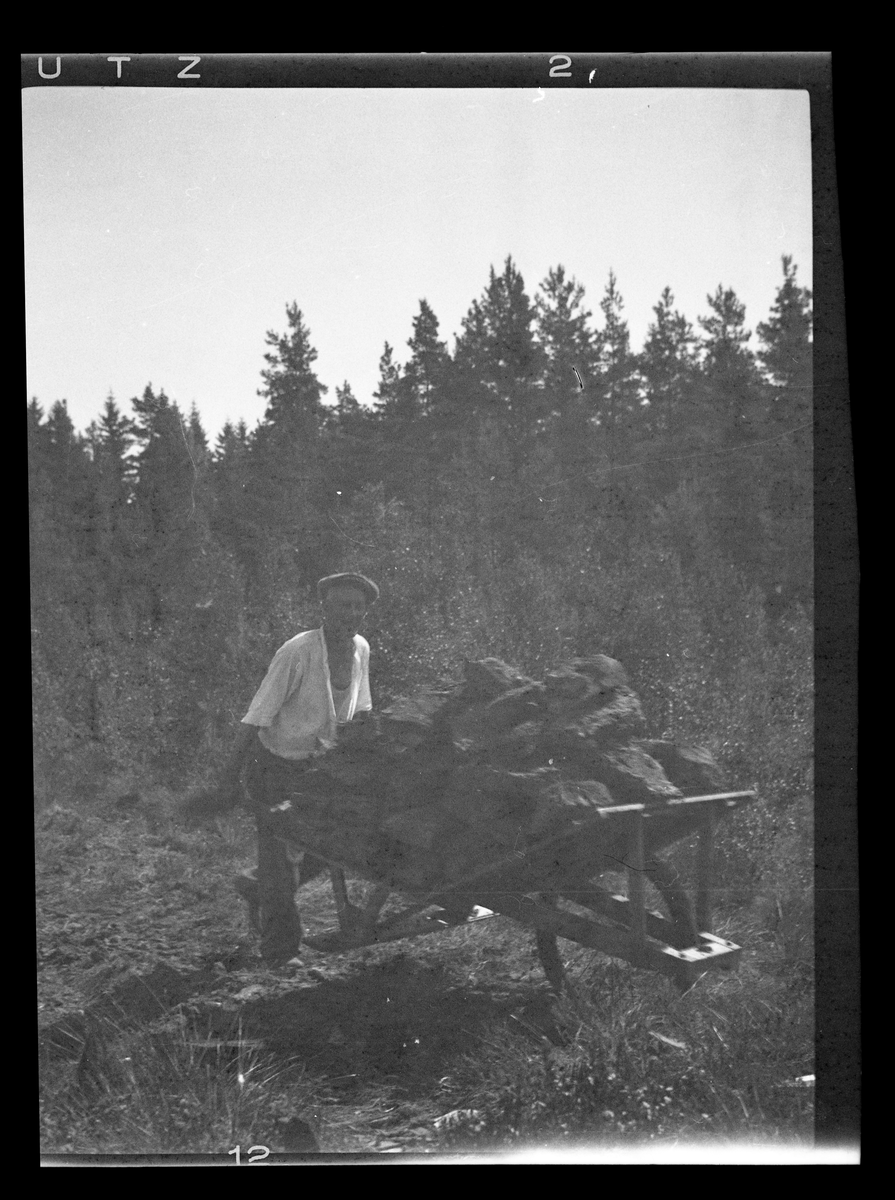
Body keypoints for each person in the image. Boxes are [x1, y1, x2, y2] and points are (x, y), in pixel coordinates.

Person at [220, 572, 380, 966]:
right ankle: (279, 951)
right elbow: (256, 717)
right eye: (343, 605)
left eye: (358, 607)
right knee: (280, 863)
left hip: (317, 771)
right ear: (324, 609)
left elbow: (361, 711)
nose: (351, 614)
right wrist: (228, 777)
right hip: (273, 766)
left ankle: (258, 887)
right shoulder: (298, 651)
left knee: (334, 845)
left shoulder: (361, 649)